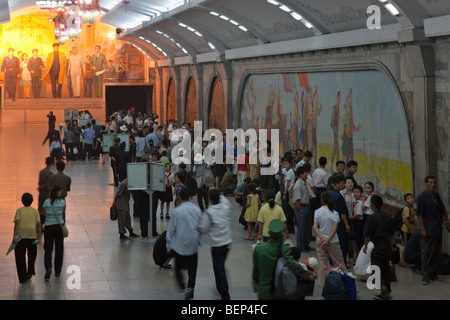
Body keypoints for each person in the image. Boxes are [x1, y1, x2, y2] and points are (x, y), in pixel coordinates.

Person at [166, 187, 203, 300]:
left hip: (180, 244)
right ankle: (190, 290)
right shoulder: (197, 210)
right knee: (192, 269)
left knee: (177, 268)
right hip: (193, 243)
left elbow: (171, 229)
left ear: (180, 197)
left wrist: (168, 244)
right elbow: (201, 226)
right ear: (190, 197)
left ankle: (183, 288)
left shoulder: (177, 211)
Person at [416, 176, 450, 285]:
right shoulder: (422, 197)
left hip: (437, 228)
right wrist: (422, 229)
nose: (432, 185)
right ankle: (425, 276)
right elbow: (420, 214)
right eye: (430, 183)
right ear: (426, 184)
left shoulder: (436, 196)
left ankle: (434, 274)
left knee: (436, 253)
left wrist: (447, 221)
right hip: (428, 229)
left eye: (434, 183)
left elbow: (443, 208)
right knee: (427, 253)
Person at [200, 188, 233, 300]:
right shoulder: (225, 207)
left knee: (219, 269)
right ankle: (220, 287)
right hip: (227, 243)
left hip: (217, 245)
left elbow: (203, 228)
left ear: (210, 200)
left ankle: (225, 295)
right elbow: (225, 201)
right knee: (220, 267)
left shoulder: (210, 212)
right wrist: (217, 191)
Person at [252, 219, 298, 300]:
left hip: (264, 292)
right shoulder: (285, 250)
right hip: (279, 292)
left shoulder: (259, 249)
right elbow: (293, 268)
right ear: (281, 236)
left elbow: (255, 273)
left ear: (269, 233)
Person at [363, 195, 394, 300]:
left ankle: (384, 290)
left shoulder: (372, 217)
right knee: (385, 269)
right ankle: (386, 290)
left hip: (378, 247)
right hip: (386, 247)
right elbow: (391, 234)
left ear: (372, 205)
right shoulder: (387, 216)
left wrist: (365, 246)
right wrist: (390, 245)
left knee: (376, 269)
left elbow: (367, 234)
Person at [313, 191, 347, 285]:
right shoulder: (335, 213)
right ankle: (348, 283)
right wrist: (327, 240)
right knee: (339, 263)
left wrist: (323, 239)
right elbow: (334, 229)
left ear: (322, 200)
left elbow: (315, 227)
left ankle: (324, 285)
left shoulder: (317, 212)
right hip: (333, 241)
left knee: (323, 265)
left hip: (320, 241)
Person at [13, 193, 41, 284]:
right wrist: (39, 236)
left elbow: (17, 223)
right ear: (32, 201)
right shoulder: (35, 211)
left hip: (21, 236)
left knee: (20, 256)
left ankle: (23, 277)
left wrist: (15, 236)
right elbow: (38, 224)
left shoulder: (19, 210)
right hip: (32, 236)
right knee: (32, 255)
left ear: (22, 201)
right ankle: (30, 272)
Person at [42, 185, 66, 280]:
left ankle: (48, 267)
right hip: (59, 227)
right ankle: (58, 271)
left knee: (48, 249)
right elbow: (62, 212)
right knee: (59, 249)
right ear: (58, 192)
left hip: (48, 227)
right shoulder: (63, 202)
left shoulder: (46, 202)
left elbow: (44, 214)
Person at [330, 174, 351, 267]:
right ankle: (341, 264)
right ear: (335, 184)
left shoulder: (331, 194)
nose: (344, 186)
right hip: (341, 225)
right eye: (342, 184)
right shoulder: (339, 197)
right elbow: (342, 213)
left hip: (333, 223)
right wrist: (347, 224)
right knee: (342, 246)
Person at [293, 166, 312, 251]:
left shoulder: (304, 183)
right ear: (300, 174)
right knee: (301, 228)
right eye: (305, 173)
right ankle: (300, 246)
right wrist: (301, 210)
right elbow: (297, 200)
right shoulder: (298, 185)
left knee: (307, 227)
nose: (307, 174)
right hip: (301, 207)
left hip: (306, 206)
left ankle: (306, 244)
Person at [38, 157, 54, 224]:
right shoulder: (50, 173)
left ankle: (40, 224)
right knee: (46, 209)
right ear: (52, 163)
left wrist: (40, 187)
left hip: (41, 193)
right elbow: (48, 185)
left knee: (40, 209)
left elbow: (40, 182)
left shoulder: (41, 172)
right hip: (46, 193)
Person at [350, 185, 365, 252]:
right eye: (354, 192)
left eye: (358, 192)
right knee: (355, 239)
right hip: (355, 222)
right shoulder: (354, 201)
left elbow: (358, 215)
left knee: (359, 239)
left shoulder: (360, 203)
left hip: (359, 222)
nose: (356, 194)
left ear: (361, 193)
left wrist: (350, 218)